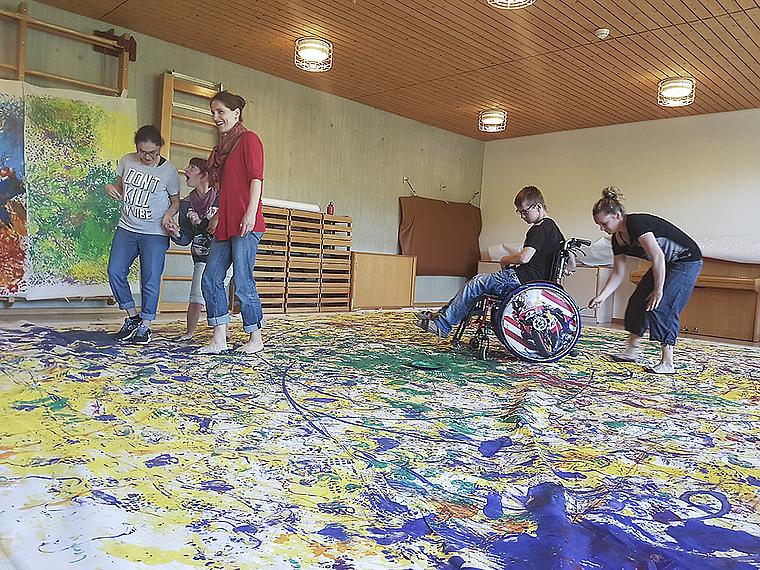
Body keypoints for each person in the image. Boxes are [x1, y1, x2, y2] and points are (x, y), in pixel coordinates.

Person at [417, 185, 571, 338]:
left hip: (521, 281)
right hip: (535, 282)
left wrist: (504, 260)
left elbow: (524, 257)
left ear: (538, 207)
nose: (522, 216)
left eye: (525, 211)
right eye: (519, 213)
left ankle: (443, 324)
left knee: (476, 283)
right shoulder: (555, 230)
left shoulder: (539, 228)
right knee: (478, 284)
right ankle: (443, 315)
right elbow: (571, 263)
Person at [588, 187, 702, 374]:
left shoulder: (636, 224)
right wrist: (602, 296)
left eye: (604, 223)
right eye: (599, 225)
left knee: (662, 304)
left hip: (686, 261)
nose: (602, 228)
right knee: (638, 301)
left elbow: (657, 256)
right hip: (666, 262)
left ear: (617, 215)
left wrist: (658, 290)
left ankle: (668, 363)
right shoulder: (617, 240)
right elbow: (618, 273)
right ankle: (631, 352)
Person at [199, 90, 265, 354]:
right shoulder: (220, 151)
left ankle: (255, 338)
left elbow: (255, 179)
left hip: (245, 222)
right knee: (211, 277)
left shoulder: (249, 140)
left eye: (221, 112)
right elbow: (225, 188)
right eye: (213, 112)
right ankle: (219, 338)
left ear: (236, 113)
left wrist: (250, 212)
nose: (216, 117)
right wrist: (217, 214)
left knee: (242, 279)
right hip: (225, 222)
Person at [106, 125, 181, 344]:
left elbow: (176, 201)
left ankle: (146, 326)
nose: (147, 157)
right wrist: (111, 188)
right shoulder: (127, 161)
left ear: (160, 148)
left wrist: (169, 214)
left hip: (155, 233)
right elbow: (119, 187)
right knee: (115, 271)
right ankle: (132, 317)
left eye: (153, 153)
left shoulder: (169, 172)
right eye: (142, 152)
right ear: (136, 148)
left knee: (150, 280)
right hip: (127, 227)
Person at [164, 157, 218, 341]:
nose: (186, 170)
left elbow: (220, 229)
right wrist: (175, 233)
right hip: (200, 255)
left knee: (215, 293)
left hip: (221, 255)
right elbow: (186, 237)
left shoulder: (221, 197)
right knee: (196, 295)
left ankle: (222, 331)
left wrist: (201, 223)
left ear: (204, 175)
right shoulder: (186, 203)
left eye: (192, 167)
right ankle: (189, 332)